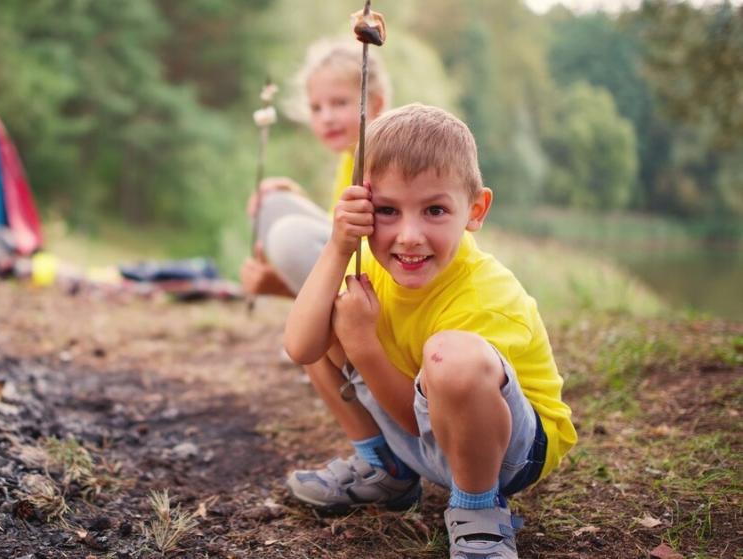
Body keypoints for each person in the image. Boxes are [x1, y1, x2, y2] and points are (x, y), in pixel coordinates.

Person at [282, 103, 576, 559]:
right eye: (387, 211)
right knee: (323, 316)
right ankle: (388, 473)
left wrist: (362, 344)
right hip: (424, 436)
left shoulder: (488, 294)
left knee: (450, 357)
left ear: (475, 210)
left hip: (506, 455)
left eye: (435, 210)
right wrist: (340, 246)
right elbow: (301, 347)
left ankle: (479, 512)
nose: (409, 236)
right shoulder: (371, 268)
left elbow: (423, 428)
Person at [241, 37, 390, 298]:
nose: (327, 118)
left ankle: (338, 322)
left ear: (376, 104)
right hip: (354, 267)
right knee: (271, 204)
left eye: (340, 103)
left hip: (383, 282)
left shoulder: (387, 157)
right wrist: (296, 196)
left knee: (289, 238)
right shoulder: (349, 157)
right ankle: (319, 311)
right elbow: (340, 230)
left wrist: (281, 287)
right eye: (316, 108)